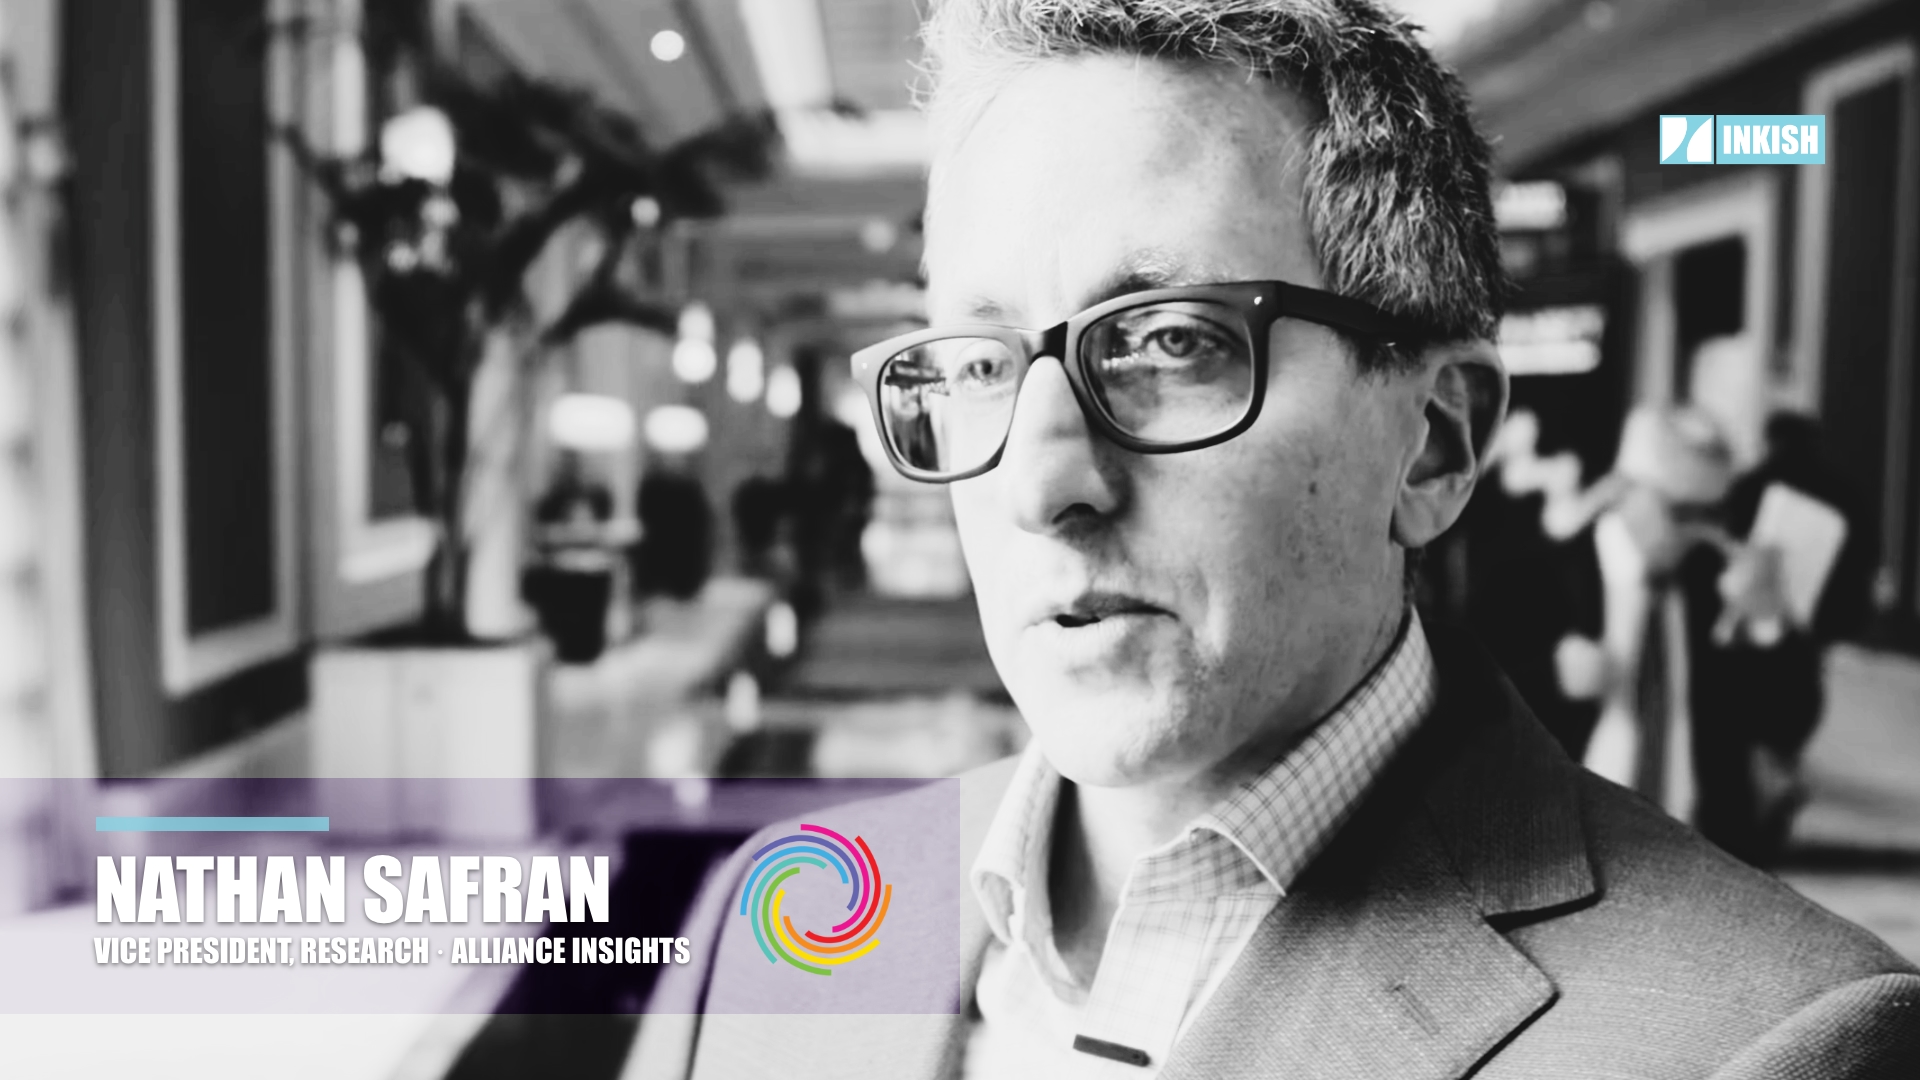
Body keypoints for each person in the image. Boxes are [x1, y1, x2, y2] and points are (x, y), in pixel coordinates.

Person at [631, 3, 1920, 1076]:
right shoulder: (770, 928)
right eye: (977, 364)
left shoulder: (1773, 1042)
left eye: (1170, 343)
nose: (1041, 481)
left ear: (1432, 443)